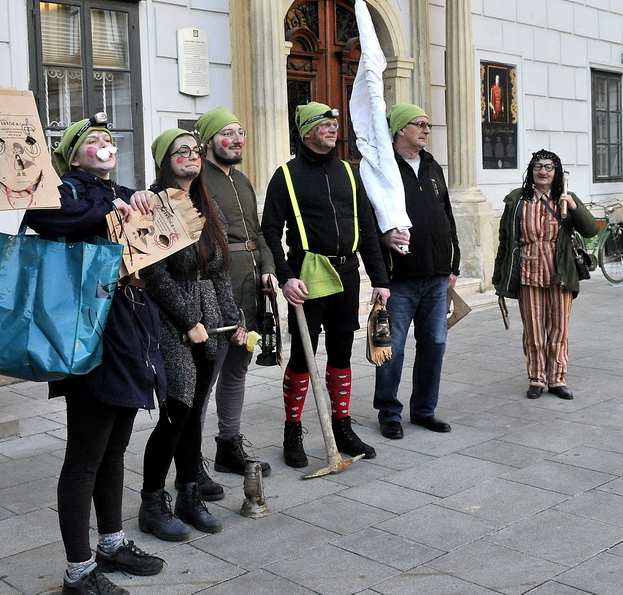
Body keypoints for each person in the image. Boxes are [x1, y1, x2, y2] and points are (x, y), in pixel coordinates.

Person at [23, 114, 166, 595]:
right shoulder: (64, 190)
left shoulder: (121, 191)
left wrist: (145, 203)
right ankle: (78, 570)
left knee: (115, 449)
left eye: (108, 138)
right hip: (88, 333)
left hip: (129, 331)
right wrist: (112, 209)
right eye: (93, 140)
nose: (105, 144)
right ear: (74, 155)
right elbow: (44, 216)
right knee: (85, 457)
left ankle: (111, 542)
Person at [261, 102, 390, 468]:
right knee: (303, 356)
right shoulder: (286, 176)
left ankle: (342, 426)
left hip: (347, 273)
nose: (333, 128)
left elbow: (367, 227)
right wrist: (286, 277)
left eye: (334, 123)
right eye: (324, 124)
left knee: (341, 352)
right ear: (306, 132)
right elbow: (270, 230)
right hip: (306, 275)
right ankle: (292, 431)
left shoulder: (349, 172)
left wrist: (380, 279)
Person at [138, 128, 245, 541]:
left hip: (209, 318)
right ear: (164, 160)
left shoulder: (205, 204)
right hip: (171, 320)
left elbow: (218, 270)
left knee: (196, 408)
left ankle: (188, 493)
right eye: (180, 151)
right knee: (177, 410)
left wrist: (233, 319)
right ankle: (151, 501)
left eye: (195, 150)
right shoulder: (153, 205)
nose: (191, 156)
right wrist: (187, 321)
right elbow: (154, 274)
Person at [195, 107, 277, 481]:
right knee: (205, 378)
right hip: (216, 293)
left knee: (237, 370)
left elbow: (257, 234)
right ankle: (190, 458)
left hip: (250, 289)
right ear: (208, 141)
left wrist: (269, 269)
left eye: (240, 133)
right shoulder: (198, 180)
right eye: (227, 133)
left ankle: (228, 445)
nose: (237, 140)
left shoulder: (242, 180)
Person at [372, 104, 461, 440]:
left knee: (435, 342)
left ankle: (424, 410)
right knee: (391, 348)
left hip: (437, 276)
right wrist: (383, 244)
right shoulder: (383, 169)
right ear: (400, 129)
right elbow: (368, 220)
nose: (426, 130)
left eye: (428, 124)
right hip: (400, 279)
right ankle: (389, 412)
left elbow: (447, 215)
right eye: (419, 124)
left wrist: (453, 263)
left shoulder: (432, 165)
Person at [492, 150, 598, 400]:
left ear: (556, 172)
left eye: (549, 167)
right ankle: (537, 378)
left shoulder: (566, 198)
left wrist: (574, 207)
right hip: (528, 272)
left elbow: (591, 230)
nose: (543, 171)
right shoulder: (517, 200)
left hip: (560, 273)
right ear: (531, 171)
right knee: (533, 329)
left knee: (559, 329)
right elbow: (505, 240)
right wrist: (499, 276)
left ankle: (557, 379)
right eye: (538, 166)